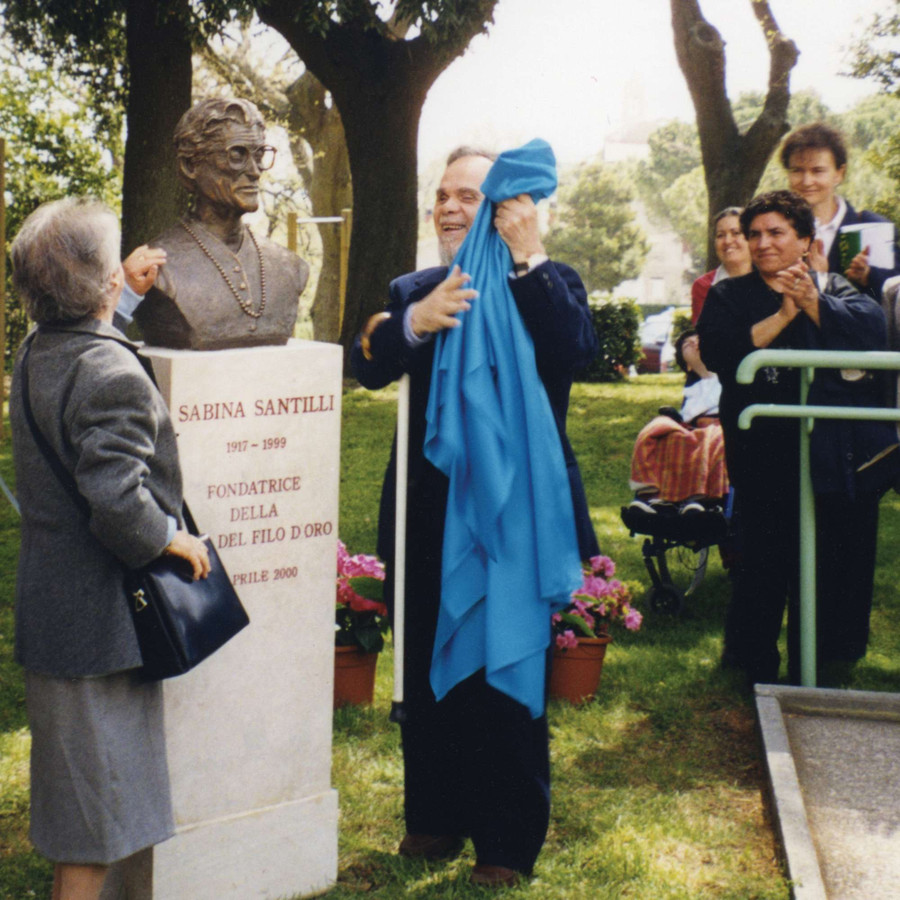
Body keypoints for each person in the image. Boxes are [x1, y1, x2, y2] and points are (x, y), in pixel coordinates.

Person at [351, 146, 599, 886]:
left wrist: (528, 257)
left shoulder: (546, 282)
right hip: (426, 510)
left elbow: (577, 350)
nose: (452, 208)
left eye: (469, 194)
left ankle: (505, 840)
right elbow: (364, 363)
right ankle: (433, 817)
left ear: (500, 204)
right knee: (427, 659)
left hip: (513, 516)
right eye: (441, 195)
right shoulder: (413, 288)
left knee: (503, 667)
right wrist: (415, 324)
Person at [9, 198, 211, 900]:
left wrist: (119, 296)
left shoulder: (37, 350)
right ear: (97, 286)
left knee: (94, 813)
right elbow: (120, 505)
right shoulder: (113, 375)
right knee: (91, 833)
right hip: (102, 626)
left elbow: (82, 352)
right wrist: (174, 537)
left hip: (56, 613)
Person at [697, 190, 892, 686]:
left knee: (834, 552)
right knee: (764, 551)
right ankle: (751, 658)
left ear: (805, 240)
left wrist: (812, 300)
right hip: (763, 445)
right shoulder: (730, 295)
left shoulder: (836, 286)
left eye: (776, 233)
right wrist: (785, 314)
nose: (762, 244)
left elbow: (871, 333)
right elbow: (723, 353)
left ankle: (828, 657)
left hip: (829, 449)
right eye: (754, 234)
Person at [122, 97, 309, 350]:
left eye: (259, 154)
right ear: (190, 165)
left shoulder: (290, 267)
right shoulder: (160, 270)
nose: (254, 171)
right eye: (237, 155)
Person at [780, 122, 900, 300]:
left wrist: (869, 277)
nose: (806, 181)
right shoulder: (774, 229)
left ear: (839, 173)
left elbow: (894, 298)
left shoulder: (870, 227)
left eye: (818, 171)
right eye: (797, 171)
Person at [629, 329, 728, 510]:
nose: (693, 343)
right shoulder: (691, 391)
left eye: (698, 340)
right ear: (687, 366)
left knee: (711, 438)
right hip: (692, 427)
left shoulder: (728, 377)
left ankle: (701, 499)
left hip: (720, 426)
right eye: (686, 344)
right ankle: (653, 494)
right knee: (661, 429)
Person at [691, 207, 753, 323]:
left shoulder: (769, 279)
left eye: (736, 233)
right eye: (720, 235)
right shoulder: (703, 286)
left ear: (750, 237)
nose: (727, 241)